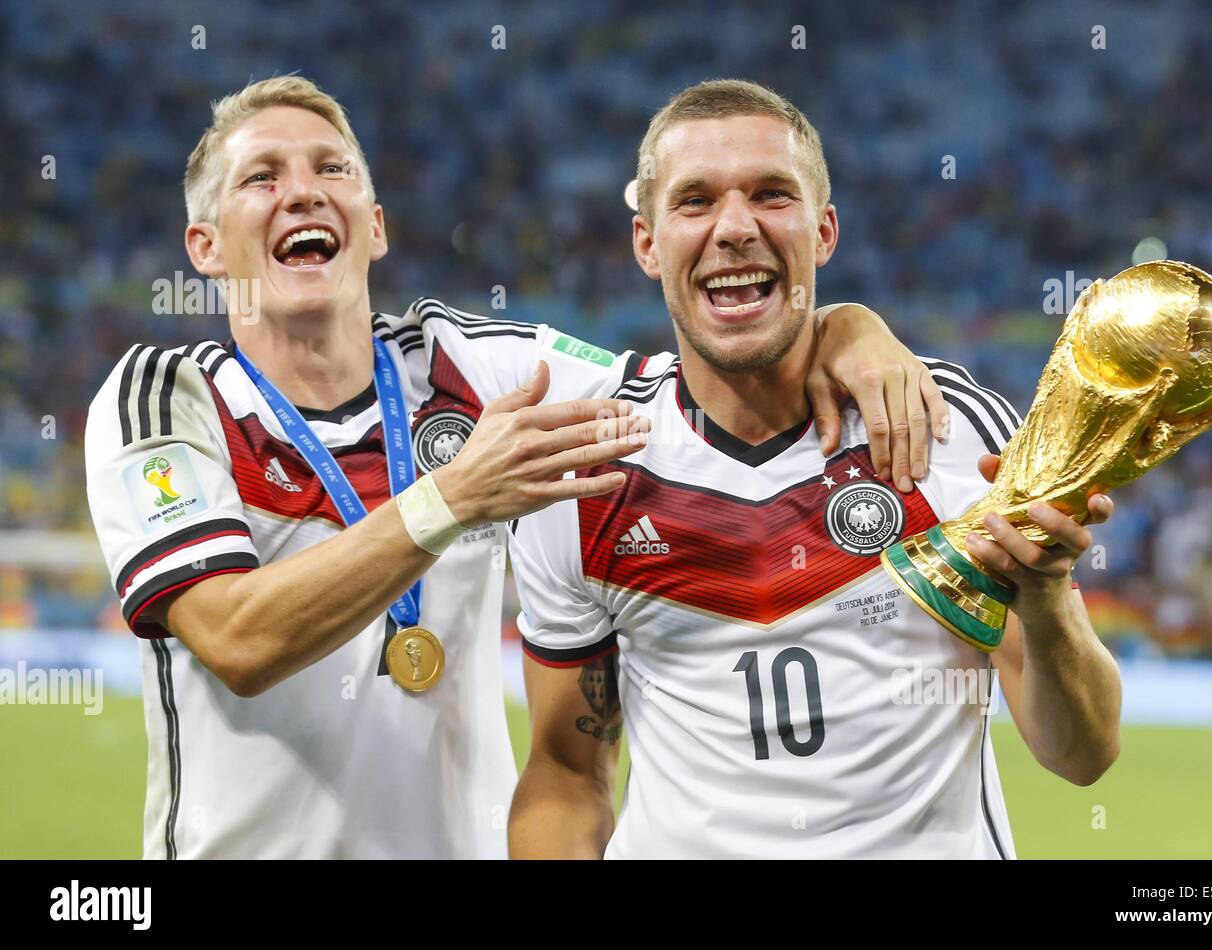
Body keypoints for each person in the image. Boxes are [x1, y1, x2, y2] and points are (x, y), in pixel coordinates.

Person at [83, 76, 942, 859]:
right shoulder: (164, 399)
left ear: (374, 225)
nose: (302, 191)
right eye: (262, 178)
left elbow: (703, 371)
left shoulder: (475, 365)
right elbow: (238, 638)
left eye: (333, 169)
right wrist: (452, 498)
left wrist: (840, 323)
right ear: (204, 244)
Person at [507, 79, 1122, 859]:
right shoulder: (589, 478)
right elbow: (565, 774)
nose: (734, 228)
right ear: (647, 244)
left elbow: (1083, 753)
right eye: (695, 201)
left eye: (771, 194)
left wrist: (1044, 596)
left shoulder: (953, 431)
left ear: (824, 231)